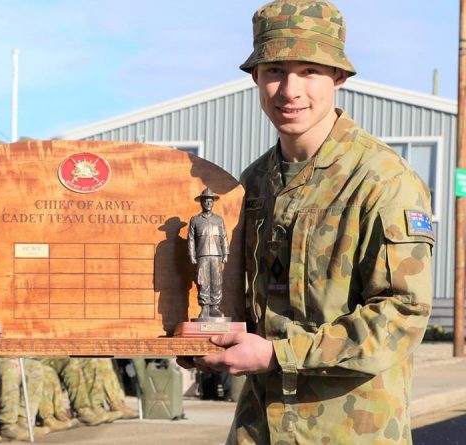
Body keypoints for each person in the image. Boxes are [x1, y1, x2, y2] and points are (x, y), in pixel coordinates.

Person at [178, 1, 435, 443]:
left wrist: (279, 354)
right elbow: (238, 302)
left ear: (338, 78)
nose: (289, 90)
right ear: (256, 78)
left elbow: (401, 315)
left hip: (350, 428)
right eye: (275, 70)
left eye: (309, 71)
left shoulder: (382, 180)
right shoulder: (253, 183)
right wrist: (201, 341)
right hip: (259, 426)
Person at [187, 188, 229, 319]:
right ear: (201, 203)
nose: (208, 204)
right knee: (203, 281)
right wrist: (192, 255)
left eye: (211, 201)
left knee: (216, 281)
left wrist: (226, 253)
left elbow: (224, 237)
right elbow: (191, 239)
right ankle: (205, 308)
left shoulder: (219, 220)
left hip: (217, 255)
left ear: (213, 203)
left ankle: (215, 307)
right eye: (206, 201)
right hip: (202, 255)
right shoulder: (195, 220)